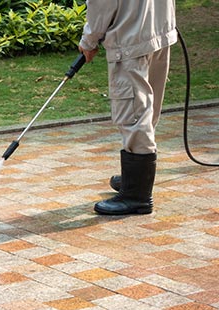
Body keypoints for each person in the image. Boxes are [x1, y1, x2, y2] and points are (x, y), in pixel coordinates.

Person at [78, 0, 177, 215]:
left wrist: (89, 40)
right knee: (146, 111)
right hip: (158, 32)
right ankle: (134, 179)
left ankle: (136, 196)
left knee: (134, 116)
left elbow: (101, 3)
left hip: (131, 39)